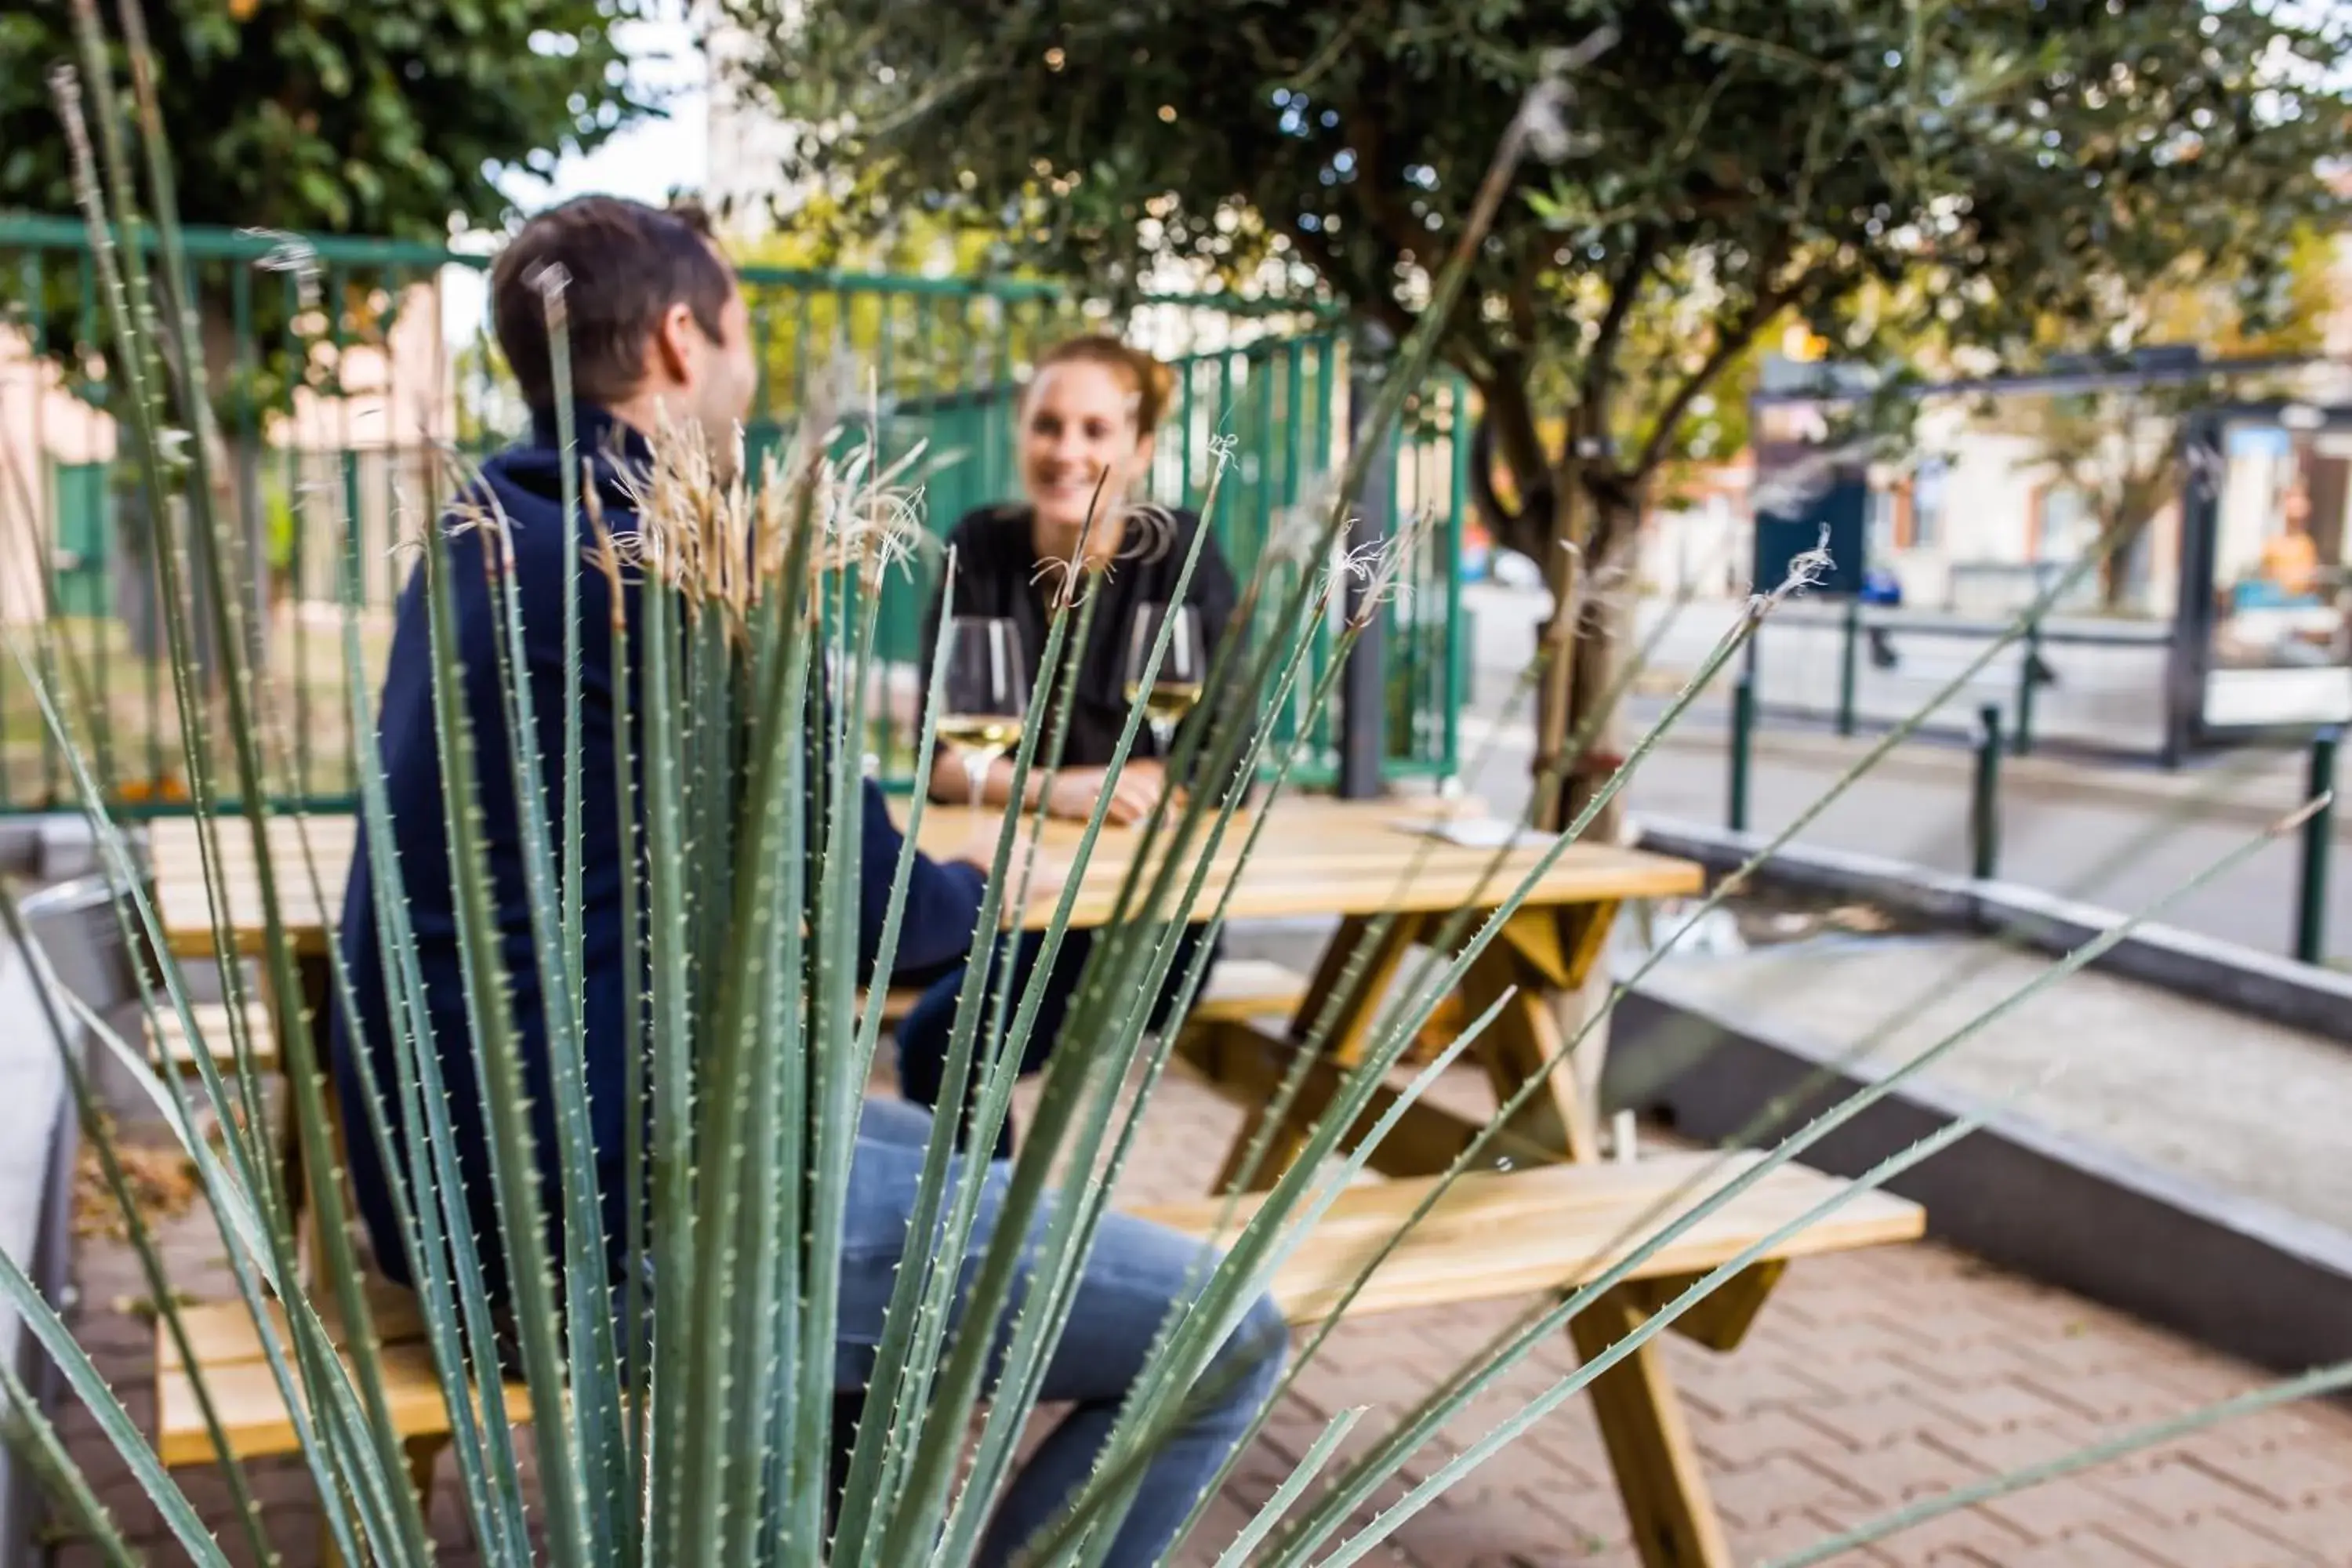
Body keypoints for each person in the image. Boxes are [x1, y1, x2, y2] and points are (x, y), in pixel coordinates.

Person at [328, 196, 1283, 1565]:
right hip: (606, 1233)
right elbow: (870, 926)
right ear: (676, 338)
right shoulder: (667, 565)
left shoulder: (483, 534)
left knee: (948, 1149)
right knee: (1227, 1333)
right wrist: (970, 882)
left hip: (450, 1204)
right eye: (740, 332)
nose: (750, 371)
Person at [898, 336, 1243, 1155]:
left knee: (935, 1041)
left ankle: (978, 1260)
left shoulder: (1181, 556)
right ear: (1020, 432)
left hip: (1141, 917)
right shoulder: (979, 546)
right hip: (1009, 892)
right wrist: (1069, 789)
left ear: (1140, 448)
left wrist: (1018, 779)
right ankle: (973, 1238)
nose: (1068, 452)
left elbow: (1218, 765)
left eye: (1096, 429)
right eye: (1049, 425)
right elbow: (935, 761)